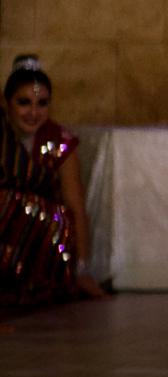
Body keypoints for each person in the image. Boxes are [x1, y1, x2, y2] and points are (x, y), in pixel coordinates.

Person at [0, 56, 108, 307]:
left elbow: (76, 208)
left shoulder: (58, 140)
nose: (34, 113)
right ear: (7, 104)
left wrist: (82, 270)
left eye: (42, 103)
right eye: (24, 103)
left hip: (41, 242)